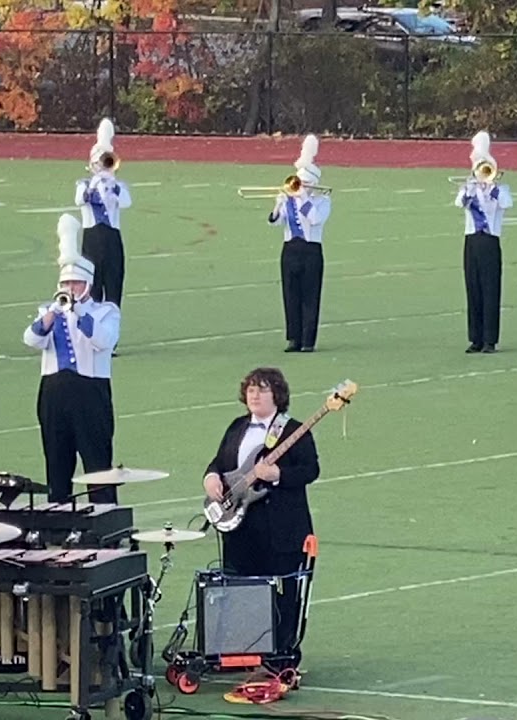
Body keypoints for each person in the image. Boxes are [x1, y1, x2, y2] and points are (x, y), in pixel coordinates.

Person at [202, 367, 319, 666]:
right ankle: (241, 651)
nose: (254, 395)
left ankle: (281, 655)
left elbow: (310, 470)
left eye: (262, 389)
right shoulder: (237, 427)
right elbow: (219, 461)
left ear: (277, 396)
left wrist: (278, 474)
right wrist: (211, 478)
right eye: (251, 389)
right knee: (240, 588)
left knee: (282, 592)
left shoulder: (293, 430)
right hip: (240, 525)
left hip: (280, 526)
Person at [23, 215, 120, 504]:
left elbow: (103, 341)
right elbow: (30, 339)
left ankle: (104, 520)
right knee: (56, 461)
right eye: (66, 282)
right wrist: (53, 313)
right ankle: (60, 515)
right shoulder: (49, 310)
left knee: (97, 463)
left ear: (88, 285)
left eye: (76, 283)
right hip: (53, 392)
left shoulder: (105, 311)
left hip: (91, 392)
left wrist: (77, 312)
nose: (70, 288)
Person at [270, 134, 330, 353]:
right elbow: (276, 223)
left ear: (313, 184)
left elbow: (315, 219)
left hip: (311, 251)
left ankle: (308, 340)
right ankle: (293, 338)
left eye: (304, 184)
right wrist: (278, 206)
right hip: (290, 249)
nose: (299, 187)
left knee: (310, 296)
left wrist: (303, 199)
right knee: (290, 294)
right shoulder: (289, 200)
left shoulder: (323, 201)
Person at [456, 130, 513, 354]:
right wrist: (471, 188)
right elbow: (459, 203)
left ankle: (490, 339)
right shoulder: (468, 189)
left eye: (486, 168)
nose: (483, 173)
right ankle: (475, 338)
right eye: (480, 168)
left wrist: (493, 188)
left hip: (490, 240)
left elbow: (507, 204)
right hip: (471, 241)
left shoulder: (500, 190)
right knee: (473, 289)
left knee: (491, 289)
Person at [75, 118, 132, 310]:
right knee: (93, 291)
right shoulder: (84, 184)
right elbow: (80, 200)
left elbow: (126, 203)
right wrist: (95, 182)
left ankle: (111, 334)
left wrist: (111, 185)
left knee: (114, 287)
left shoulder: (117, 186)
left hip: (112, 239)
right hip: (92, 239)